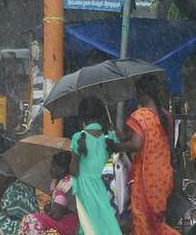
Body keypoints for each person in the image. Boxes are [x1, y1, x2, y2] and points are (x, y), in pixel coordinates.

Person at [117, 75, 179, 235]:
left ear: (142, 92)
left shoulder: (141, 115)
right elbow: (162, 142)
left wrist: (116, 146)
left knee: (143, 221)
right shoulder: (165, 116)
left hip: (145, 177)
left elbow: (136, 144)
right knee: (156, 222)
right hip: (163, 176)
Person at [70, 97, 122, 235]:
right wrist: (113, 130)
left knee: (88, 223)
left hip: (85, 187)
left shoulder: (78, 138)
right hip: (106, 185)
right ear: (101, 116)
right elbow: (118, 156)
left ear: (82, 118)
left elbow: (73, 170)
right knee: (107, 219)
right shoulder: (109, 137)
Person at [20, 152, 79, 235]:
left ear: (62, 169)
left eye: (54, 166)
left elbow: (56, 214)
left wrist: (49, 211)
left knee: (31, 220)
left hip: (69, 222)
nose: (51, 169)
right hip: (63, 220)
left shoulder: (67, 182)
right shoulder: (57, 182)